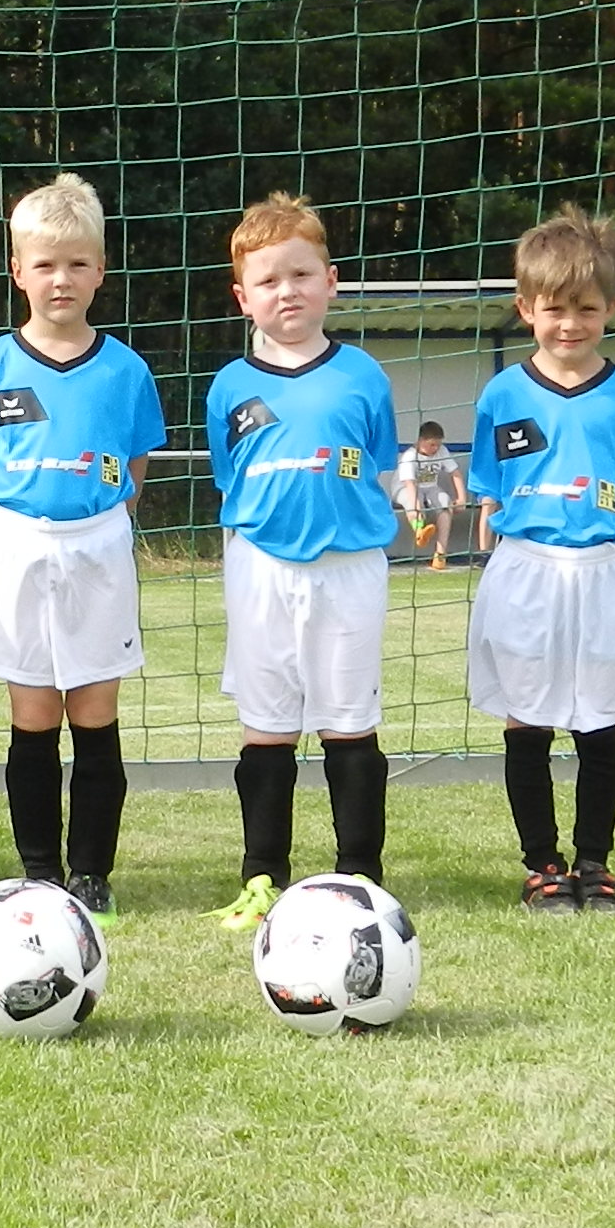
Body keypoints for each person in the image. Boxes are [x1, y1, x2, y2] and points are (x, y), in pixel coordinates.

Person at [0, 176, 164, 911]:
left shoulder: (126, 369)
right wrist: (9, 522)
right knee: (34, 712)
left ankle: (91, 872)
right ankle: (39, 870)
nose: (61, 279)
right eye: (45, 264)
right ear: (18, 271)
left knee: (95, 710)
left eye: (77, 263)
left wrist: (101, 521)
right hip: (19, 541)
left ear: (101, 270)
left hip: (98, 543)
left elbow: (133, 465)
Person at [204, 194, 403, 928]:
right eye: (268, 281)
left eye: (301, 275)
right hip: (260, 566)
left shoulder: (363, 376)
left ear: (331, 281)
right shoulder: (230, 385)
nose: (286, 291)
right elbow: (231, 476)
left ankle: (361, 876)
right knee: (267, 725)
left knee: (349, 721)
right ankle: (263, 875)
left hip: (348, 569)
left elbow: (379, 467)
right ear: (243, 297)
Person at [462, 207, 615, 918]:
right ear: (526, 309)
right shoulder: (503, 394)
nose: (570, 324)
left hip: (604, 569)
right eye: (554, 309)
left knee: (598, 719)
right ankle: (542, 865)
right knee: (527, 720)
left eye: (586, 308)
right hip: (526, 569)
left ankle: (595, 862)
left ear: (611, 307)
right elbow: (491, 487)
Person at [394, 422, 471, 568]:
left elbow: (455, 473)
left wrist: (461, 498)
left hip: (430, 487)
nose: (435, 448)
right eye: (432, 445)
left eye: (438, 445)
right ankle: (419, 531)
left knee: (445, 503)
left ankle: (440, 554)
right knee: (412, 504)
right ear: (421, 440)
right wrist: (416, 506)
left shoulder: (441, 451)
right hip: (405, 488)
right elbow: (410, 484)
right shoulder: (409, 456)